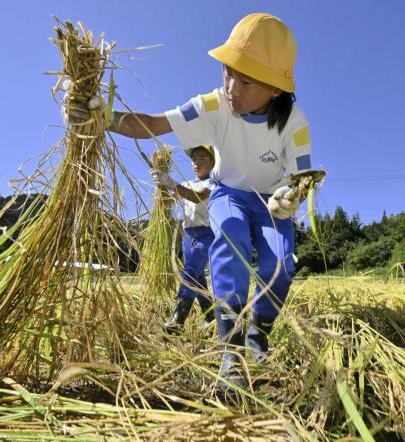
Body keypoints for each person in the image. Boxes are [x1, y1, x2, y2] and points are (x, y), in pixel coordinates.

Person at [67, 13, 313, 389]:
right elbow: (150, 124)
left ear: (275, 89)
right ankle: (230, 351)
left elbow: (303, 177)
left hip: (270, 202)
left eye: (246, 81)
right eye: (229, 73)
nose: (232, 86)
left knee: (279, 266)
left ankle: (258, 332)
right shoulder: (213, 106)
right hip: (227, 194)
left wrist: (292, 197)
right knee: (230, 240)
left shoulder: (292, 122)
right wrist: (103, 117)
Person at [161, 145, 216, 333]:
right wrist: (160, 184)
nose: (197, 163)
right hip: (187, 236)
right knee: (198, 278)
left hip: (206, 234)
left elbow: (197, 198)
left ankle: (178, 319)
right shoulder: (187, 183)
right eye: (194, 159)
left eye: (202, 159)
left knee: (190, 273)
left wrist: (171, 183)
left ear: (213, 162)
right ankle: (211, 316)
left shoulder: (213, 184)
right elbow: (171, 199)